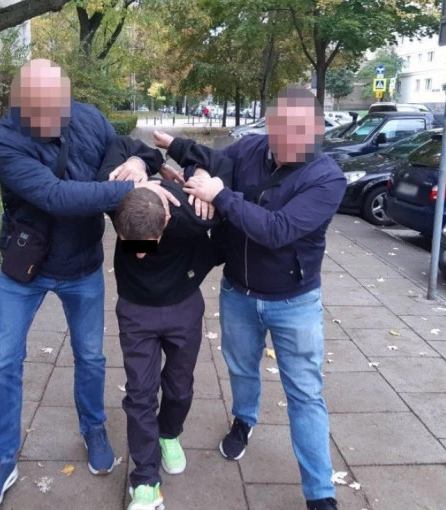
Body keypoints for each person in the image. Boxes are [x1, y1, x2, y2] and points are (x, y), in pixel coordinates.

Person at [0, 59, 178, 509]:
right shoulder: (3, 142)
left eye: (59, 107)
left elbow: (134, 153)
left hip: (82, 264)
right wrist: (129, 189)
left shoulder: (87, 117)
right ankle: (1, 458)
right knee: (3, 362)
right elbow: (55, 196)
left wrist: (136, 164)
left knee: (90, 357)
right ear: (20, 105)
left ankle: (94, 428)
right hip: (25, 269)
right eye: (41, 110)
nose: (55, 118)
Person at [152, 86, 347, 510]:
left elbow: (277, 229)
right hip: (238, 292)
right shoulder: (251, 149)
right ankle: (244, 420)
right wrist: (183, 156)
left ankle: (320, 493)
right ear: (270, 126)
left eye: (301, 132)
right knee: (241, 369)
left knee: (305, 395)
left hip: (294, 302)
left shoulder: (327, 178)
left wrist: (220, 196)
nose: (289, 141)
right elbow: (213, 161)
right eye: (282, 129)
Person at [97, 136, 230, 510]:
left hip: (183, 306)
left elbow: (228, 168)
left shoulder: (191, 215)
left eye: (148, 244)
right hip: (135, 310)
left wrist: (206, 179)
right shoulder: (115, 197)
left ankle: (169, 434)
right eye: (130, 244)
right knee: (140, 392)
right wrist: (140, 164)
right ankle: (145, 480)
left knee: (179, 386)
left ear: (167, 221)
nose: (139, 254)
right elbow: (121, 143)